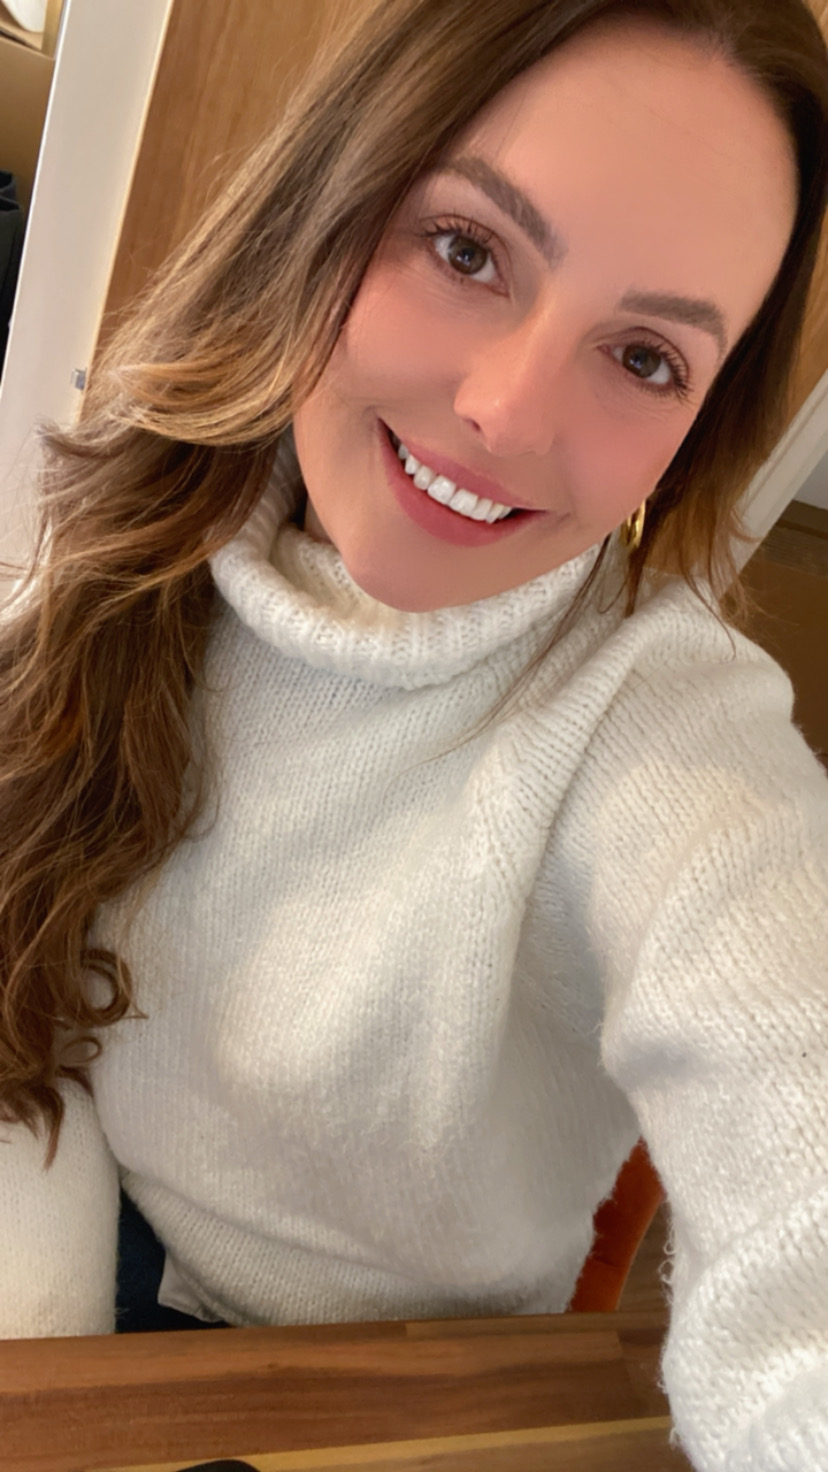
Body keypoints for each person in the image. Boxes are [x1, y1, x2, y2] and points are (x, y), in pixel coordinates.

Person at [1, 0, 826, 1466]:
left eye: (644, 357)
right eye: (466, 250)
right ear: (325, 207)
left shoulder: (663, 731)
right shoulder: (150, 529)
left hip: (384, 1391)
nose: (506, 414)